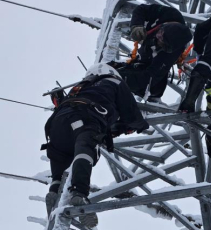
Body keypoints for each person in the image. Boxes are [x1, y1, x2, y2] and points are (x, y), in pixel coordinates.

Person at [42, 63, 149, 228]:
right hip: (85, 116)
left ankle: (54, 190)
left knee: (60, 158)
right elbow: (131, 114)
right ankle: (79, 193)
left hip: (56, 125)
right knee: (86, 148)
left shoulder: (80, 87)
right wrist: (141, 125)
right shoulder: (113, 81)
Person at [109, 4, 192, 103]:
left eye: (161, 41)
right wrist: (136, 25)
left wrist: (121, 78)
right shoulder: (169, 14)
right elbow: (141, 9)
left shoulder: (170, 55)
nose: (158, 38)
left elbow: (150, 78)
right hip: (147, 45)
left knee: (150, 85)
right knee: (128, 67)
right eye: (160, 35)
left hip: (151, 64)